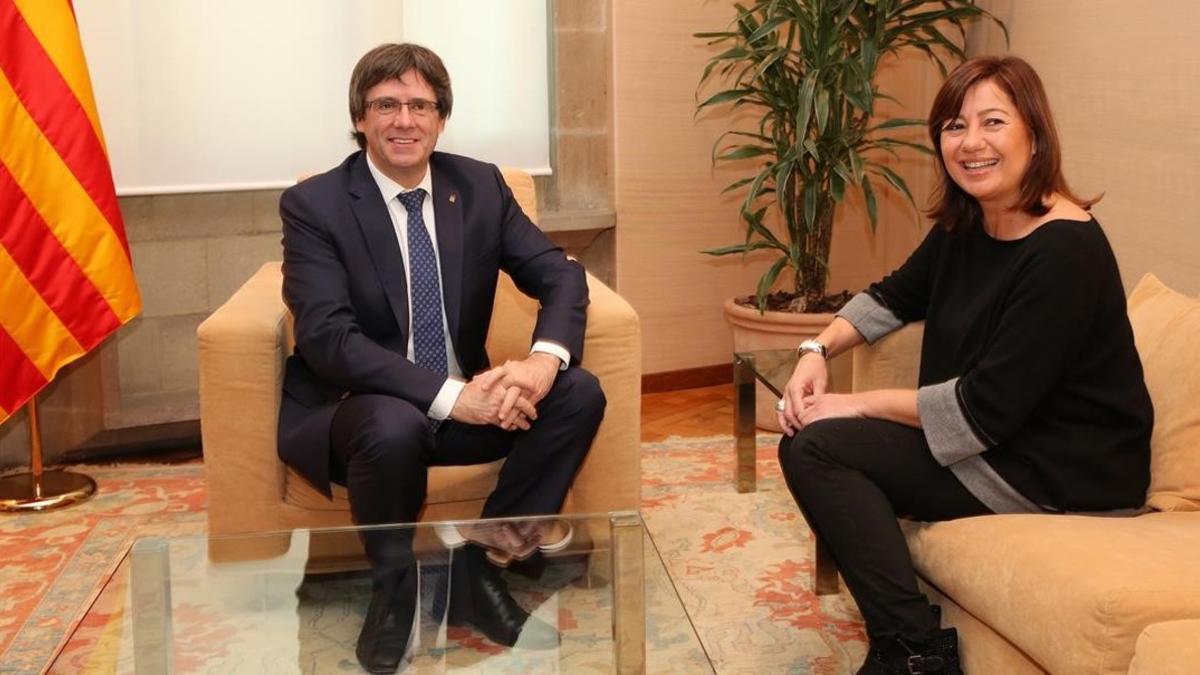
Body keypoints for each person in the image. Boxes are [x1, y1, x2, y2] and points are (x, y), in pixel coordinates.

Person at [775, 55, 1152, 675]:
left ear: (1035, 133)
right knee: (814, 440)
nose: (970, 142)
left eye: (992, 122)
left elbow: (982, 413)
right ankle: (913, 641)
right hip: (1000, 445)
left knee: (819, 447)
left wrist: (855, 400)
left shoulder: (1065, 253)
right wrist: (816, 350)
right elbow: (895, 294)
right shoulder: (972, 221)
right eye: (953, 125)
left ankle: (915, 650)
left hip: (1060, 472)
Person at [277, 43, 605, 673]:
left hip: (466, 403)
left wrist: (540, 363)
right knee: (392, 423)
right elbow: (328, 338)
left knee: (578, 390)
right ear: (361, 118)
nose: (405, 120)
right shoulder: (316, 205)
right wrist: (459, 397)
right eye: (386, 104)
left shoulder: (479, 185)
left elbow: (561, 277)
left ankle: (478, 568)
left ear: (441, 118)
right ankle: (394, 589)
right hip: (361, 410)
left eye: (420, 104)